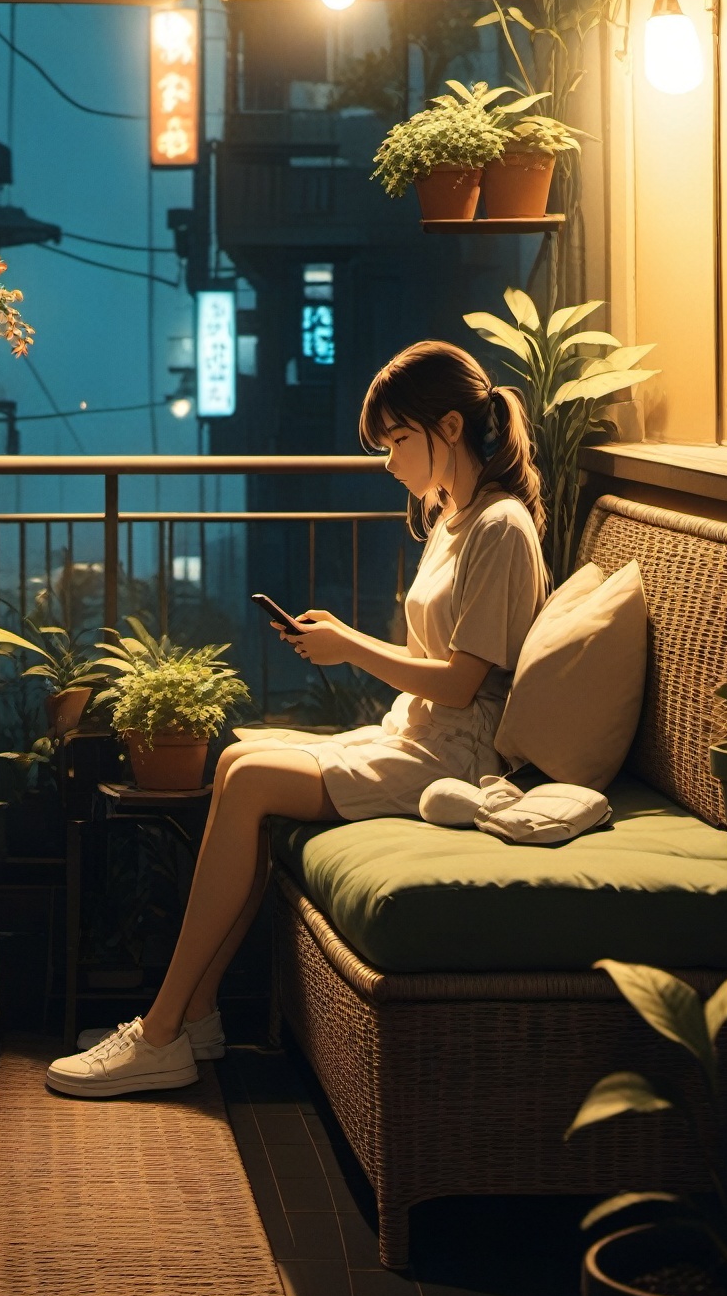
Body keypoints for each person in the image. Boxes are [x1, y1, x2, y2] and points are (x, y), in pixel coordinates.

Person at [44, 340, 549, 1098]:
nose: (389, 463)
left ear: (449, 427)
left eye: (398, 441)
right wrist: (345, 644)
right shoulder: (453, 517)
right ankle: (200, 1014)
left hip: (458, 759)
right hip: (417, 735)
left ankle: (159, 1032)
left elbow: (459, 684)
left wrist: (347, 645)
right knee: (239, 761)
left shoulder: (501, 528)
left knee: (248, 783)